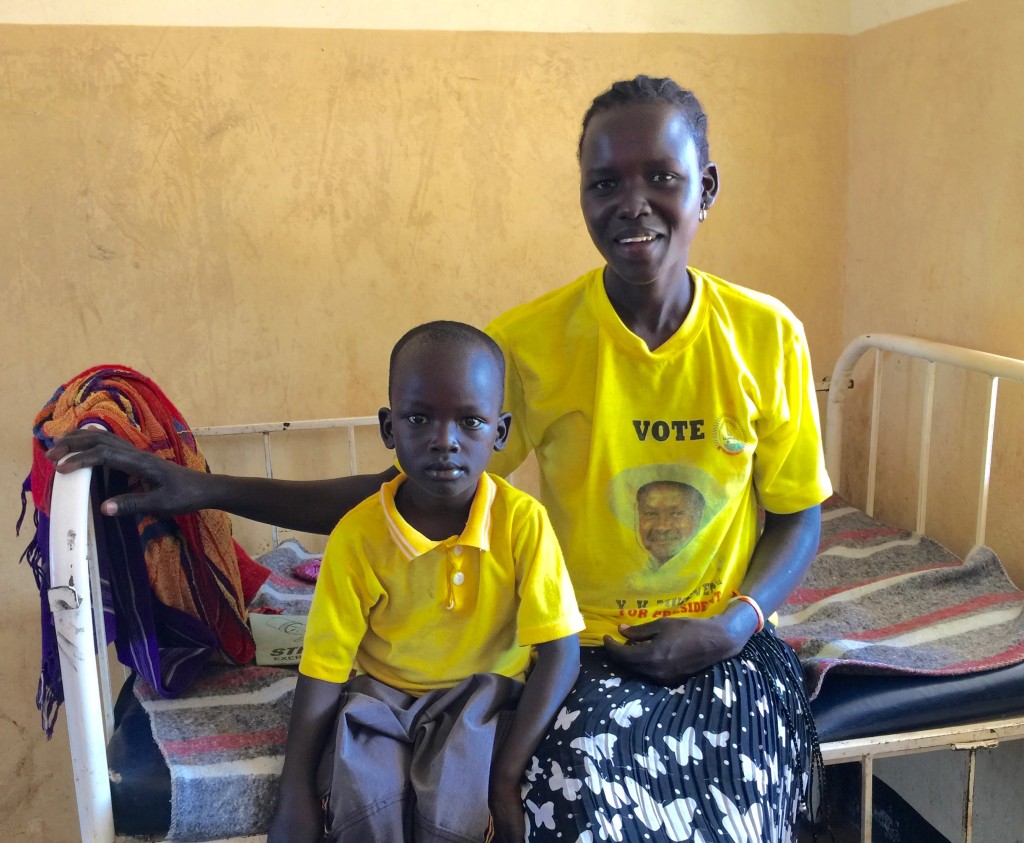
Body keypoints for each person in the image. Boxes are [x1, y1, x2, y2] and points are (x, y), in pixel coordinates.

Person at [50, 75, 832, 841]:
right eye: (605, 182)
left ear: (707, 187)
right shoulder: (528, 344)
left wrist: (735, 624)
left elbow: (798, 514)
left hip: (726, 638)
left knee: (746, 791)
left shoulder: (767, 337)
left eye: (662, 177)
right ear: (584, 198)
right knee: (573, 790)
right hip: (582, 644)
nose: (633, 203)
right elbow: (406, 497)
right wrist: (203, 489)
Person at [270, 320, 583, 843]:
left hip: (483, 695)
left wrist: (506, 776)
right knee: (360, 796)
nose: (445, 441)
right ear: (389, 428)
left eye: (470, 422)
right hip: (380, 697)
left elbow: (560, 651)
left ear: (500, 433)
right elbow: (325, 667)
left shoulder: (522, 522)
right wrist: (294, 788)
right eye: (419, 418)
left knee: (457, 806)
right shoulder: (358, 536)